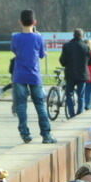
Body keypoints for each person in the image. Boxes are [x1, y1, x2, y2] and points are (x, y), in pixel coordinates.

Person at [11, 10, 55, 144]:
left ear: (20, 22)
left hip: (19, 75)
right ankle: (46, 135)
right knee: (40, 105)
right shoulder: (38, 37)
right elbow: (41, 54)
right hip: (34, 75)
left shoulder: (16, 37)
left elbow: (15, 50)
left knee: (21, 105)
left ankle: (25, 133)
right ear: (34, 22)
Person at [60, 29, 91, 119]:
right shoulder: (86, 47)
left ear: (73, 35)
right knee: (81, 95)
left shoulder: (67, 46)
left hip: (70, 74)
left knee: (69, 94)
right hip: (82, 75)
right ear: (82, 36)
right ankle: (80, 113)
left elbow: (62, 61)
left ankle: (71, 113)